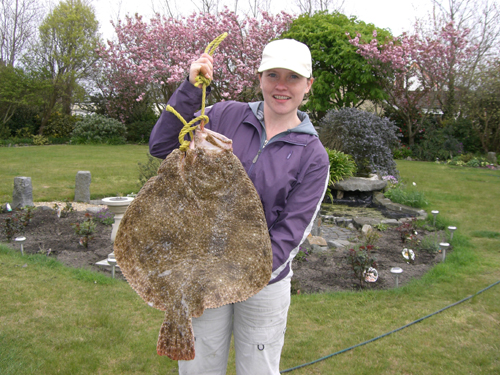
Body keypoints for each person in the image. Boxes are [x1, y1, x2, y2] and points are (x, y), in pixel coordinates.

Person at [149, 38, 330, 375]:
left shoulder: (313, 154)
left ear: (308, 85)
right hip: (200, 269)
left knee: (258, 369)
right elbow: (161, 145)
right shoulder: (225, 114)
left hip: (263, 282)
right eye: (272, 74)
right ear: (259, 77)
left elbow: (291, 232)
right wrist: (191, 87)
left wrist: (241, 274)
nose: (281, 85)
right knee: (199, 367)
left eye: (292, 77)